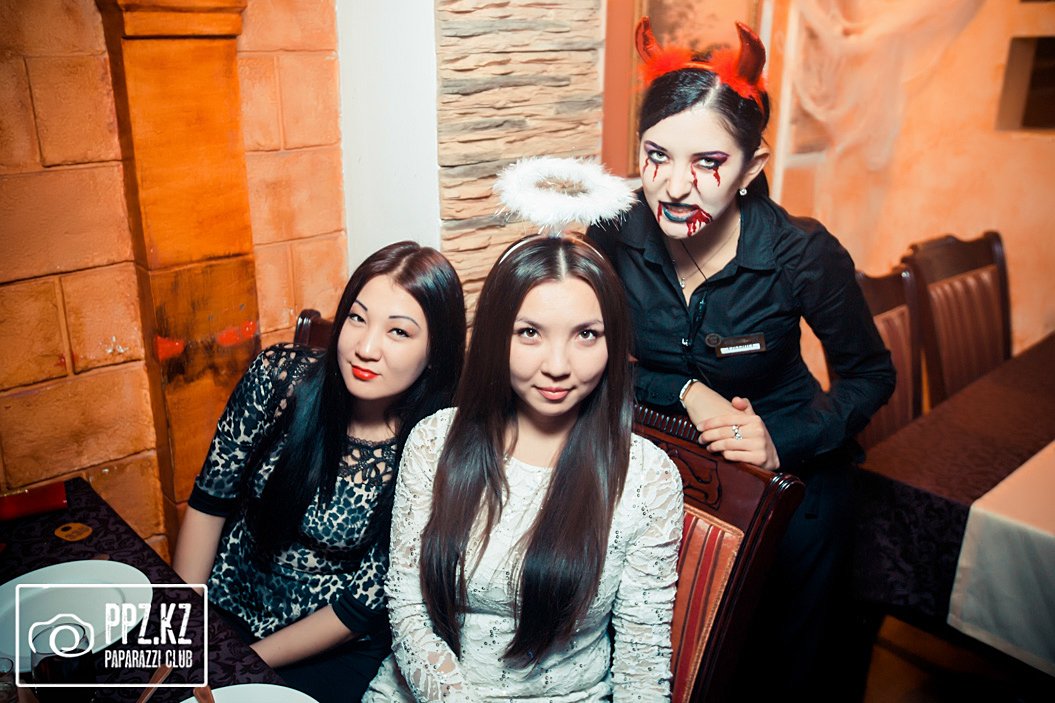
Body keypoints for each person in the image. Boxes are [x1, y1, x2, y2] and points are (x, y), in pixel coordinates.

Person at [587, 18, 896, 699]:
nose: (674, 185)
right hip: (667, 482)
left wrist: (782, 440)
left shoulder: (800, 253)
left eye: (708, 162)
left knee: (784, 671)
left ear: (751, 168)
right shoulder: (612, 232)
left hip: (795, 488)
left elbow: (872, 374)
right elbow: (587, 361)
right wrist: (682, 388)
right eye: (657, 155)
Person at [364, 236, 684, 702]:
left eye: (586, 335)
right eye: (530, 333)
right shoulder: (435, 441)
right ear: (497, 335)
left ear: (613, 342)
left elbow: (643, 660)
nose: (557, 365)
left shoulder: (647, 479)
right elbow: (408, 608)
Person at [172, 241, 466, 703]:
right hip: (226, 603)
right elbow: (211, 500)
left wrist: (242, 666)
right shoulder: (277, 379)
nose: (366, 348)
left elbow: (359, 608)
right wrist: (183, 625)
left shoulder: (432, 447)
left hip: (329, 645)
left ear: (435, 352)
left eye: (398, 332)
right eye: (357, 318)